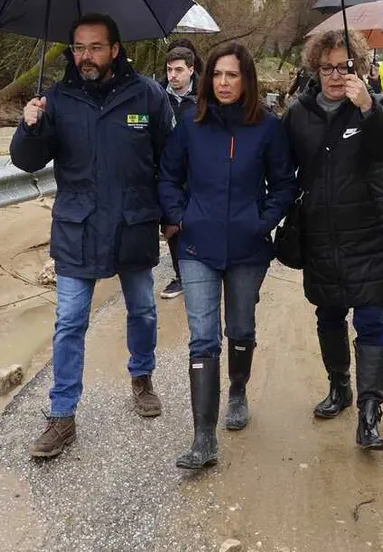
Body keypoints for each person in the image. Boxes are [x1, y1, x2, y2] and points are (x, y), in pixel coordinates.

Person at [11, 13, 174, 459]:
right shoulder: (57, 100)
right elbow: (26, 161)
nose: (85, 56)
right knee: (69, 323)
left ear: (115, 50)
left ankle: (142, 377)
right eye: (79, 48)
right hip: (78, 227)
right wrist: (28, 125)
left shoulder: (148, 94)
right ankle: (62, 415)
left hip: (133, 223)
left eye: (95, 47)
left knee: (142, 310)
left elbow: (170, 160)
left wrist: (171, 214)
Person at [158, 42, 297, 469]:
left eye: (232, 75)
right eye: (217, 75)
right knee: (202, 337)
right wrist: (180, 216)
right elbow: (168, 175)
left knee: (240, 326)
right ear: (206, 78)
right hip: (197, 247)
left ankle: (237, 389)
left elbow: (285, 184)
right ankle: (203, 439)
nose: (223, 83)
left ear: (246, 80)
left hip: (248, 249)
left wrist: (262, 221)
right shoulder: (190, 125)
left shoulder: (268, 129)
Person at [283, 29, 383, 451]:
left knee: (371, 322)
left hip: (371, 235)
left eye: (344, 67)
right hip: (322, 235)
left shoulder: (375, 105)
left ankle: (370, 413)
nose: (336, 76)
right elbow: (282, 168)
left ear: (359, 67)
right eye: (327, 68)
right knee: (329, 318)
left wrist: (368, 106)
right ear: (315, 70)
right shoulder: (298, 114)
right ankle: (340, 387)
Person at [160, 44, 201, 300]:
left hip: (197, 171)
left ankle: (203, 270)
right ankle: (181, 276)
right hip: (167, 172)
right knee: (171, 226)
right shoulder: (156, 96)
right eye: (169, 70)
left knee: (196, 224)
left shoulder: (203, 98)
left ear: (191, 70)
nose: (172, 75)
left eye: (178, 70)